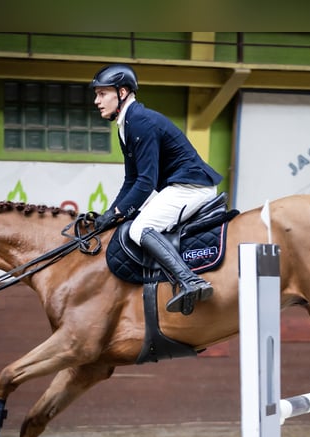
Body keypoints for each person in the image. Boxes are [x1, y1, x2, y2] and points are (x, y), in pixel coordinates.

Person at [89, 64, 223, 316]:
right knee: (132, 222)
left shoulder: (139, 121)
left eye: (102, 93)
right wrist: (111, 214)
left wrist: (119, 210)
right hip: (179, 186)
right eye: (96, 94)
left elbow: (146, 182)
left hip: (191, 188)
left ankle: (191, 281)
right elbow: (132, 179)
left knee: (140, 229)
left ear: (122, 92)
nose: (96, 101)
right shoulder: (126, 122)